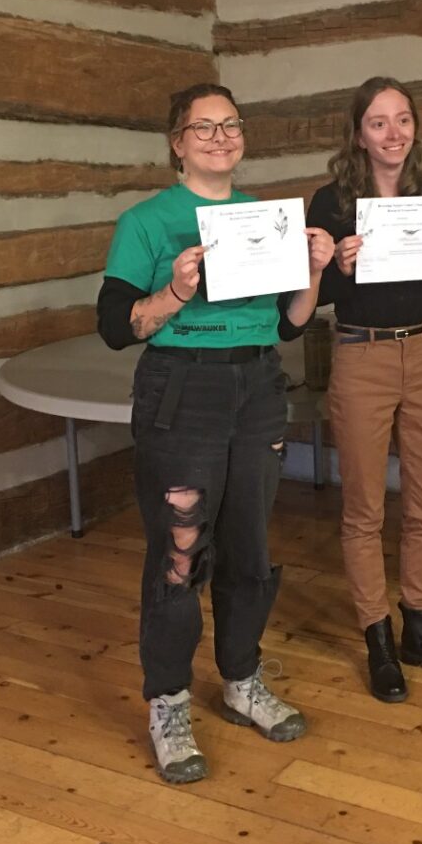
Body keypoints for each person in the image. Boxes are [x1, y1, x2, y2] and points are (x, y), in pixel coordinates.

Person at [96, 82, 334, 783]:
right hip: (182, 391)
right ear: (177, 142)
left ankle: (240, 680)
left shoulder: (265, 217)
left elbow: (288, 323)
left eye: (231, 124)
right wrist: (173, 290)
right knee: (180, 554)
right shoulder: (147, 222)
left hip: (258, 388)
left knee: (249, 547)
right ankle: (168, 703)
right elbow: (115, 327)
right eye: (204, 127)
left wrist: (315, 273)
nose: (221, 137)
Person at [306, 76, 422, 703]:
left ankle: (420, 623)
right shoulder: (330, 202)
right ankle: (377, 634)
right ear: (358, 133)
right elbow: (311, 296)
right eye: (379, 122)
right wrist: (335, 268)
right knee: (364, 510)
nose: (394, 133)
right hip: (362, 356)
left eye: (403, 120)